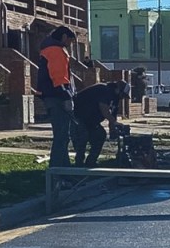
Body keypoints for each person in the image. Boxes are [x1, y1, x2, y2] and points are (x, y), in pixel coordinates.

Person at [36, 27, 76, 167]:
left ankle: (64, 169)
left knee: (63, 136)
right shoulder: (56, 50)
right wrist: (67, 96)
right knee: (61, 136)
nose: (70, 44)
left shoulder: (49, 48)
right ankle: (57, 171)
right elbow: (59, 77)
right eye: (70, 41)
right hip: (57, 96)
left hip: (52, 96)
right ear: (64, 37)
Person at [70, 80, 130, 168]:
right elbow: (104, 110)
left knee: (100, 135)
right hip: (78, 117)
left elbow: (112, 115)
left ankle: (91, 162)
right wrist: (115, 123)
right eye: (123, 95)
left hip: (91, 121)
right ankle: (79, 163)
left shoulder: (115, 99)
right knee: (83, 136)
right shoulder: (105, 90)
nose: (122, 98)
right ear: (118, 89)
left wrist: (113, 130)